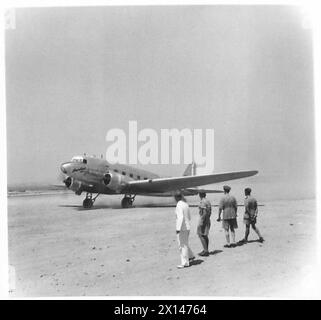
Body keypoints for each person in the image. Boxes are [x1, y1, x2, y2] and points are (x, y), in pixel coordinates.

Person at [175, 192, 195, 268]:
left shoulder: (179, 205)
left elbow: (180, 217)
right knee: (185, 243)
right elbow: (189, 217)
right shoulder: (185, 204)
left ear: (176, 198)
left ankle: (185, 262)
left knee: (182, 245)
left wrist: (178, 228)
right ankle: (191, 256)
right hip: (187, 226)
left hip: (182, 228)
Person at [197, 192, 212, 256]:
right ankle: (206, 249)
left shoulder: (203, 202)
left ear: (200, 195)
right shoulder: (208, 201)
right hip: (208, 219)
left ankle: (205, 251)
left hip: (204, 219)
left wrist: (202, 221)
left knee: (201, 235)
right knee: (205, 235)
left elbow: (204, 212)